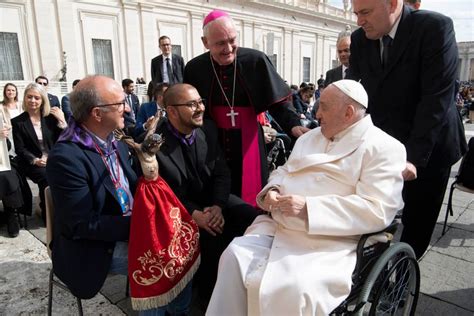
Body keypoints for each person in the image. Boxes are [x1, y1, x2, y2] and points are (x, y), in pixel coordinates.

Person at [206, 80, 406, 316]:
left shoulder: (384, 147)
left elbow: (377, 209)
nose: (317, 113)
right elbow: (283, 171)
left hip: (331, 240)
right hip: (279, 226)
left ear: (349, 112)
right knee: (234, 257)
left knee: (295, 286)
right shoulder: (308, 139)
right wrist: (273, 191)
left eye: (325, 107)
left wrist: (309, 209)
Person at [348, 0, 467, 259]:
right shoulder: (359, 39)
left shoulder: (435, 28)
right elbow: (353, 92)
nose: (359, 21)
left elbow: (436, 99)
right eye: (356, 13)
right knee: (374, 212)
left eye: (365, 12)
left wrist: (413, 157)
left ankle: (400, 286)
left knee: (417, 222)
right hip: (385, 144)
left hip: (429, 146)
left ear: (392, 4)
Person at [184, 10, 306, 206]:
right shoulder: (194, 68)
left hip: (249, 142)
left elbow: (278, 102)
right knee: (215, 198)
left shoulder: (256, 61)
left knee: (251, 201)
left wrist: (293, 125)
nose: (228, 48)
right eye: (220, 43)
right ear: (205, 42)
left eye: (232, 40)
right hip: (212, 145)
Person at [155, 83, 258, 305]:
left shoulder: (207, 129)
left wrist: (218, 207)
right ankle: (210, 303)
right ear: (171, 111)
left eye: (200, 102)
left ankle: (253, 287)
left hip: (214, 201)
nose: (200, 108)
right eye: (192, 104)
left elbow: (222, 173)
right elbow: (164, 195)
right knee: (211, 243)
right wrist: (195, 215)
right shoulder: (154, 145)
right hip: (179, 212)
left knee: (254, 218)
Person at [11, 83, 66, 223]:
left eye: (37, 98)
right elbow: (20, 148)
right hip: (32, 162)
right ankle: (48, 214)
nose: (33, 101)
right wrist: (35, 160)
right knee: (47, 177)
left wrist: (63, 121)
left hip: (53, 159)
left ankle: (66, 210)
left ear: (42, 100)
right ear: (24, 98)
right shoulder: (18, 122)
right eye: (29, 97)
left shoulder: (51, 118)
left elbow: (66, 140)